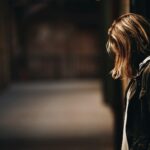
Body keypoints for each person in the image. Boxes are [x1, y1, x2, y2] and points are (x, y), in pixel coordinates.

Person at [106, 13, 150, 150]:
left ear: (129, 46)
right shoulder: (139, 75)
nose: (119, 58)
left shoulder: (147, 73)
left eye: (120, 52)